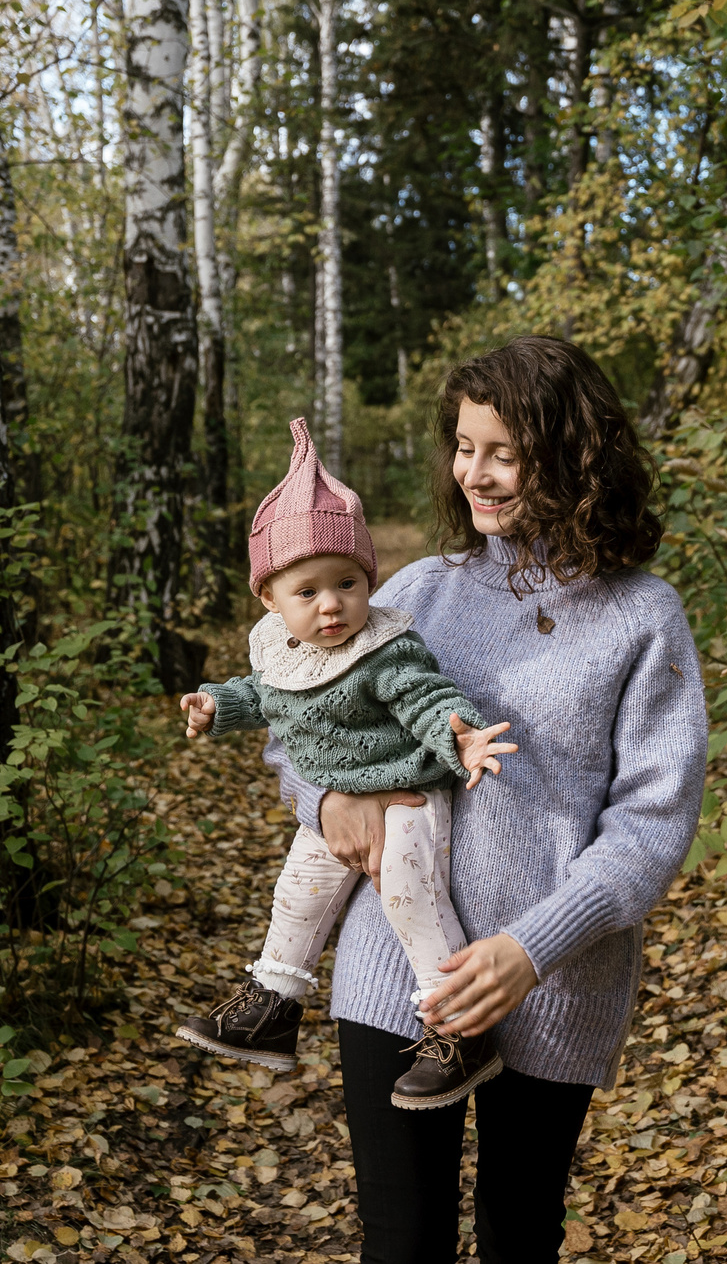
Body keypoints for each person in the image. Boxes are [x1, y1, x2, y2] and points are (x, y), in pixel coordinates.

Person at [264, 335, 709, 1264]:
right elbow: (298, 721)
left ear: (572, 453)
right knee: (401, 1242)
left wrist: (529, 950)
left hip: (550, 979)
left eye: (503, 451)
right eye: (464, 447)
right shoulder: (419, 593)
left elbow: (651, 822)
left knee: (519, 1238)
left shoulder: (642, 615)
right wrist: (328, 801)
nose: (476, 473)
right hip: (395, 970)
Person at [177, 418, 518, 1109]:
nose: (332, 604)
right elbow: (263, 696)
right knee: (297, 891)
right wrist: (216, 706)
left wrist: (463, 737)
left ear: (369, 580)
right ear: (270, 599)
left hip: (411, 794)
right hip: (339, 795)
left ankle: (459, 1027)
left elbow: (429, 698)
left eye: (349, 582)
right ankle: (273, 1003)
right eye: (309, 592)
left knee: (409, 893)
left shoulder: (386, 649)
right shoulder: (282, 648)